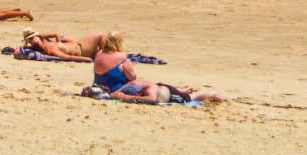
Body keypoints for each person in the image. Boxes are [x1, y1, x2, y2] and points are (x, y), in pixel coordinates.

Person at [92, 32, 220, 105]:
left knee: (165, 89)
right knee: (189, 97)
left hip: (119, 87)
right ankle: (211, 93)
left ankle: (183, 90)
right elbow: (133, 77)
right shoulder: (121, 58)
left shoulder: (99, 54)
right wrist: (126, 97)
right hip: (151, 90)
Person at [22, 29, 94, 62]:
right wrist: (85, 59)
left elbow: (55, 34)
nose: (31, 41)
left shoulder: (42, 37)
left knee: (65, 39)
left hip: (77, 45)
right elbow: (68, 57)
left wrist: (59, 42)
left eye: (32, 38)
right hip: (80, 49)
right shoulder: (51, 50)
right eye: (29, 40)